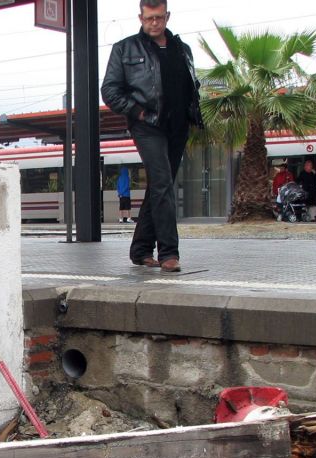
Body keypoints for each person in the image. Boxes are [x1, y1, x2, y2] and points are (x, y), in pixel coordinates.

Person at [101, 0, 204, 272]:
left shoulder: (183, 49)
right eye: (149, 18)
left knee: (161, 184)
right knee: (162, 183)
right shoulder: (125, 49)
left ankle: (140, 249)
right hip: (147, 125)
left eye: (159, 17)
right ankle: (169, 253)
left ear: (167, 16)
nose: (154, 23)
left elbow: (189, 86)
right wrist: (138, 112)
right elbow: (110, 91)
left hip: (178, 126)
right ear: (140, 17)